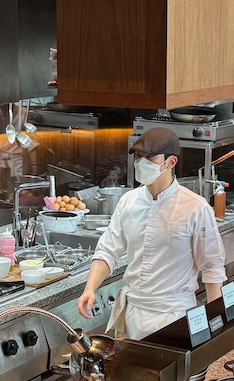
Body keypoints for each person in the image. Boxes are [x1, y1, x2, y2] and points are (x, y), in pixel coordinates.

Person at [76, 127, 226, 340]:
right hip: (132, 314)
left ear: (171, 162)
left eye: (149, 157)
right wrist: (90, 288)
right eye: (138, 157)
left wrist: (215, 318)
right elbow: (107, 251)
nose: (141, 162)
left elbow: (212, 268)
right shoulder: (128, 201)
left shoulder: (196, 207)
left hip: (174, 316)